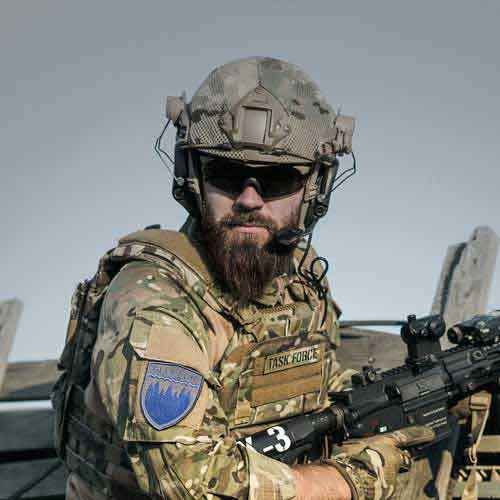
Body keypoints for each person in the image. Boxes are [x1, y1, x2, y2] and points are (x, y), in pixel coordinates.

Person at [53, 57, 435, 500]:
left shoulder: (297, 277)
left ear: (314, 188)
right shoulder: (156, 304)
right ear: (193, 177)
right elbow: (189, 483)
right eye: (227, 175)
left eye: (277, 179)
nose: (250, 200)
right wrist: (351, 480)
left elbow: (310, 383)